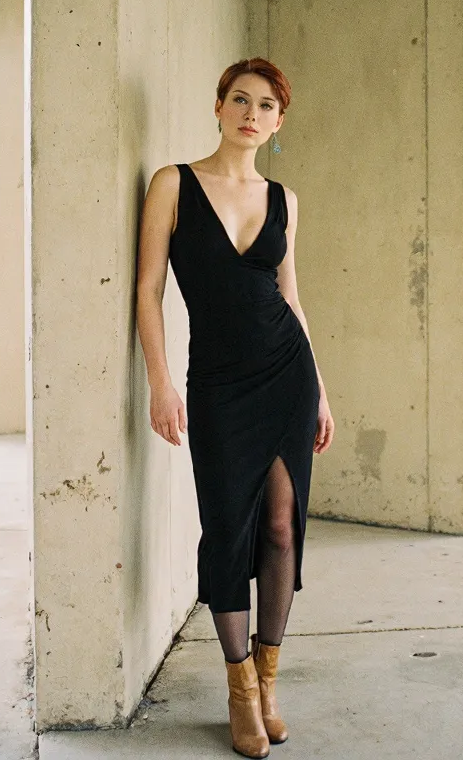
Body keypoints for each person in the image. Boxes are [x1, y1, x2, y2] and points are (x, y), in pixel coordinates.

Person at [136, 56, 335, 758]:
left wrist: (321, 391)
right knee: (227, 530)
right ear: (219, 107)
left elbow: (291, 297)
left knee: (282, 527)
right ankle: (239, 689)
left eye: (267, 107)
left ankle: (270, 683)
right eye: (240, 100)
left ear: (279, 123)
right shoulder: (173, 184)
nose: (252, 114)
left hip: (287, 375)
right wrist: (160, 383)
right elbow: (149, 293)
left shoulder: (284, 198)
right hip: (218, 384)